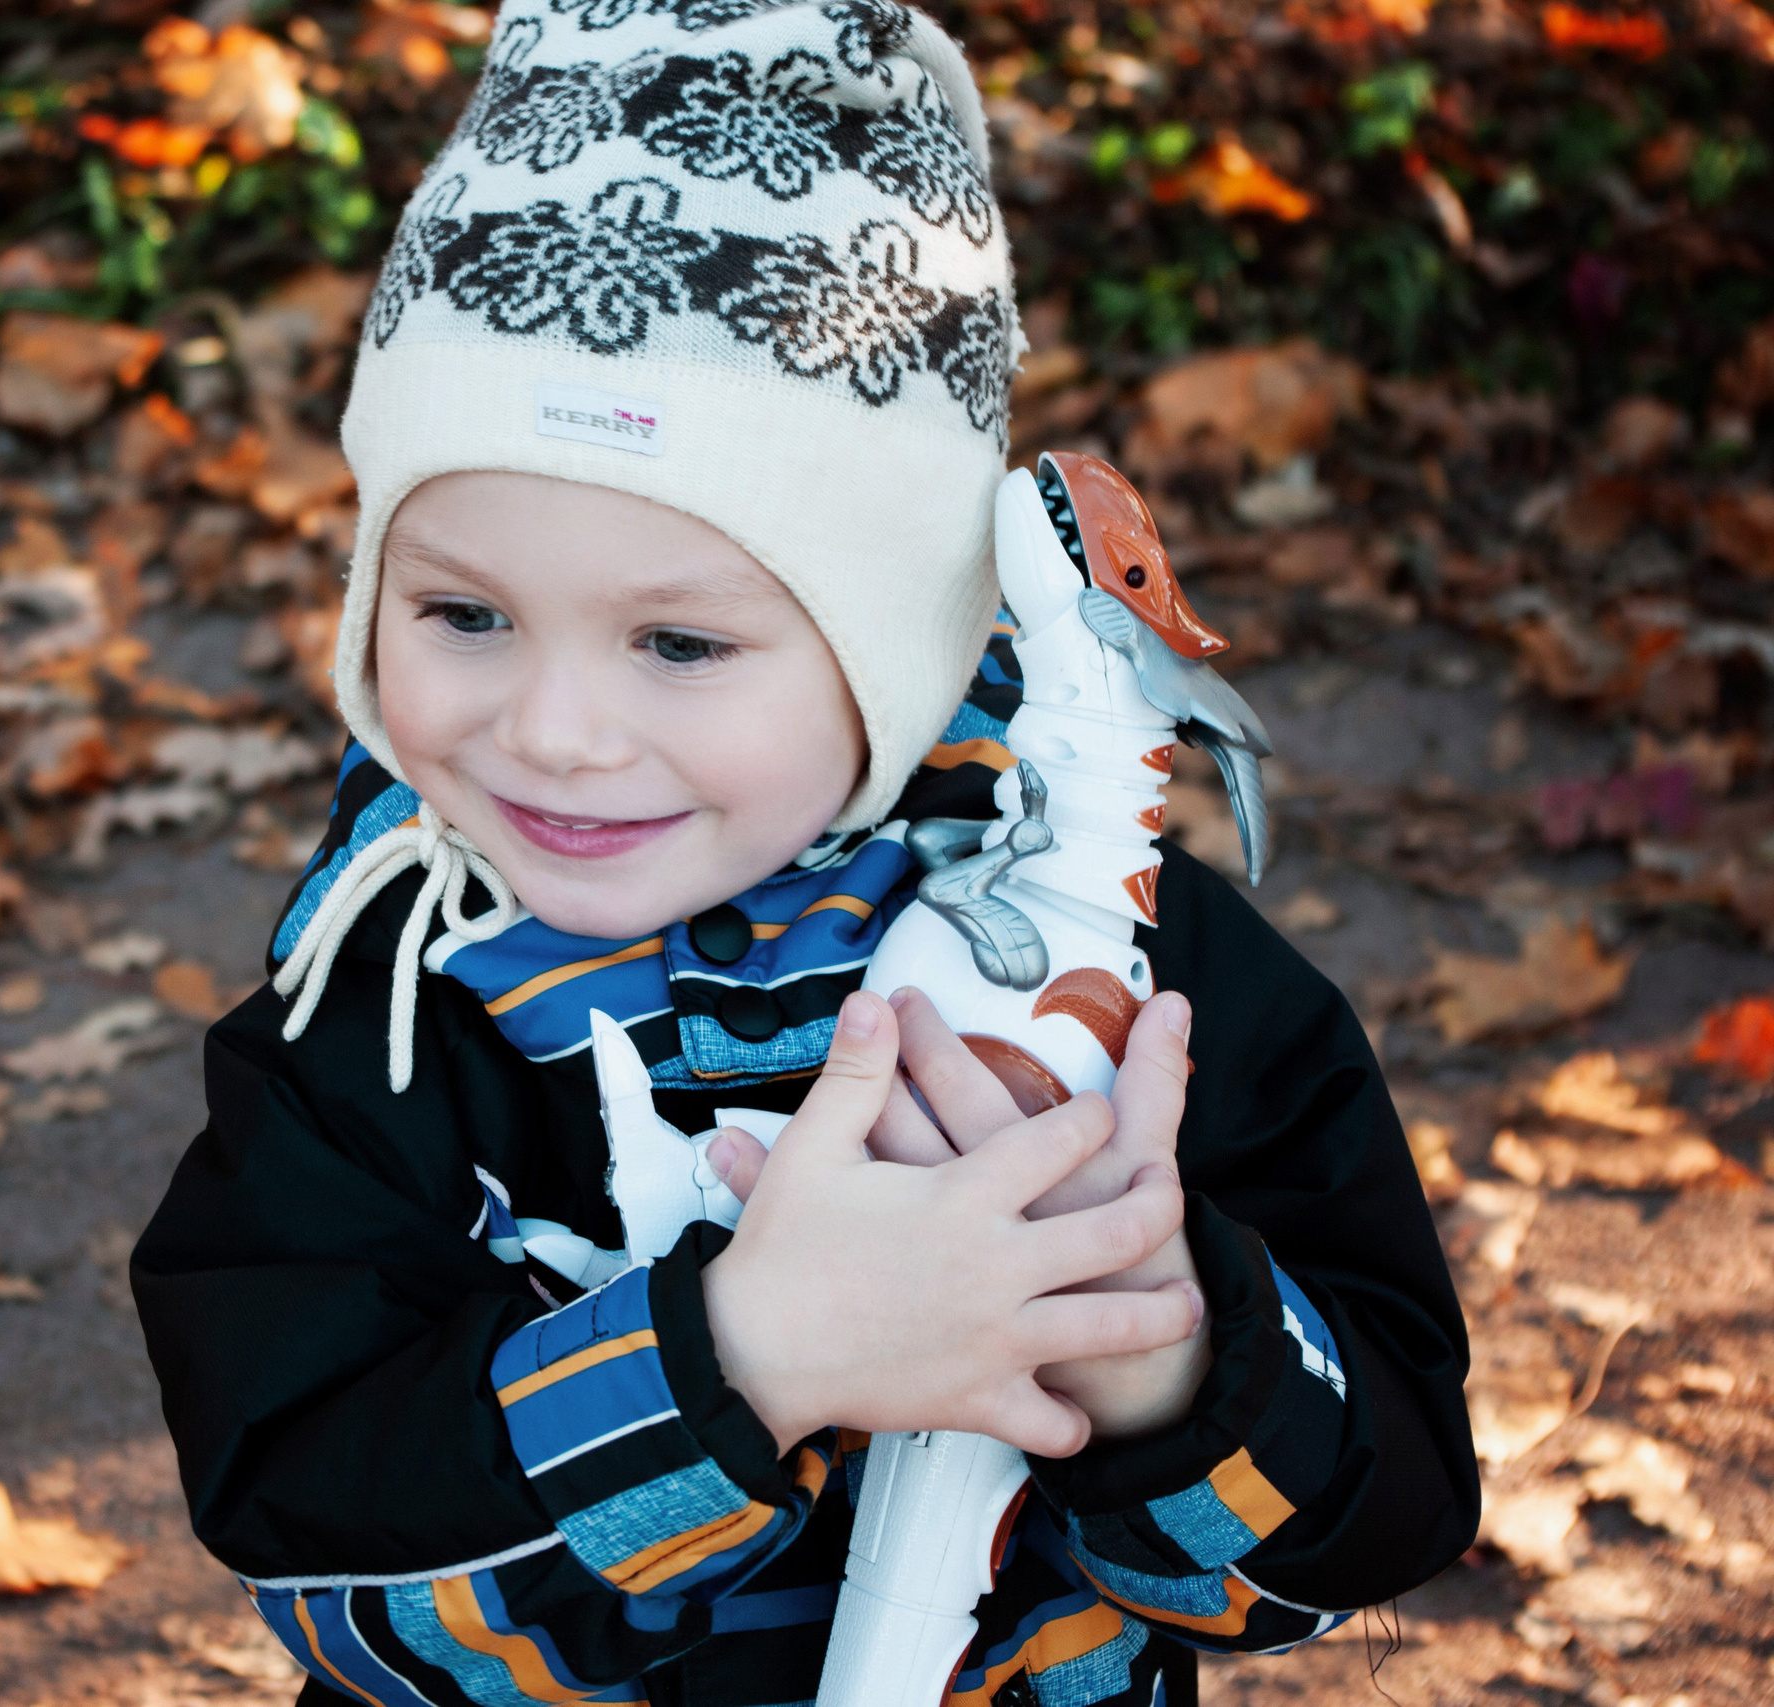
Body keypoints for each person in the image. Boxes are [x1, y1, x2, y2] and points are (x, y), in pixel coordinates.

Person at [132, 1, 1478, 1702]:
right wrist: (745, 1362)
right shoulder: (388, 1008)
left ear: (892, 649)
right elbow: (316, 1549)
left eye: (678, 645)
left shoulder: (1143, 984)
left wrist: (1151, 1337)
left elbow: (1386, 1515)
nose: (552, 729)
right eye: (464, 612)